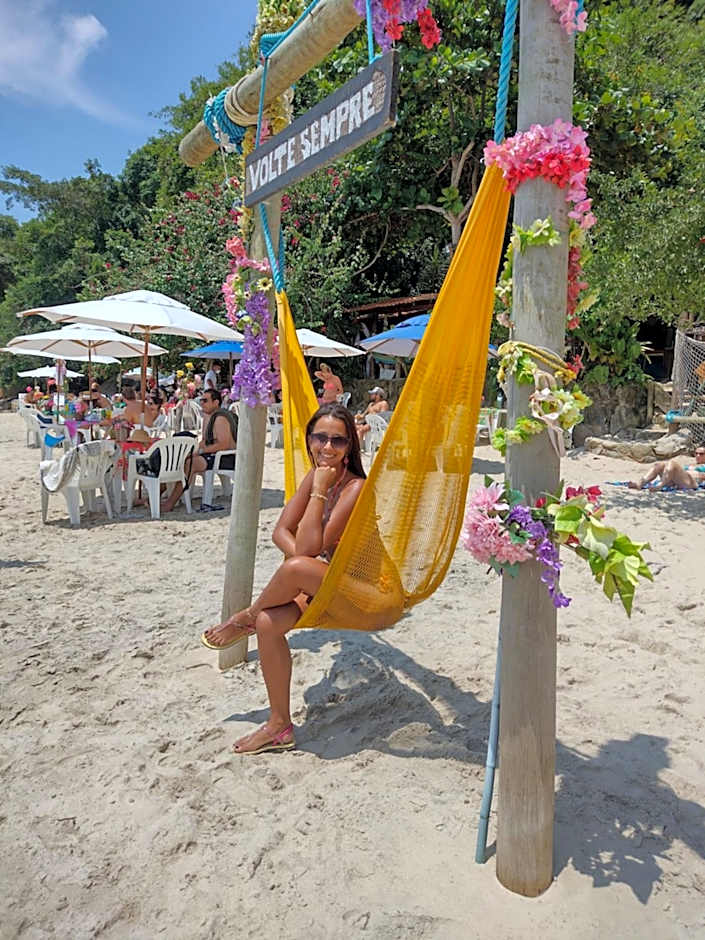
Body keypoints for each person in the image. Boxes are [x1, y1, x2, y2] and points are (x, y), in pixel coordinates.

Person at [201, 402, 366, 755]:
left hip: (358, 587)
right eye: (320, 437)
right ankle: (279, 726)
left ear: (350, 445)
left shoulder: (355, 488)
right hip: (319, 580)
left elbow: (309, 545)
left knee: (294, 568)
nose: (327, 447)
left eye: (338, 441)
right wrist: (305, 559)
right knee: (267, 622)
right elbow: (281, 532)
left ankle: (240, 618)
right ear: (308, 439)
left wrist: (320, 490)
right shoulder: (316, 474)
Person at [161, 387, 238, 512]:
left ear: (216, 402)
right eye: (201, 400)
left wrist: (200, 451)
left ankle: (170, 503)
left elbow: (223, 444)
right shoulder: (210, 416)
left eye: (205, 400)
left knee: (189, 464)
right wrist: (193, 450)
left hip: (225, 457)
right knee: (178, 460)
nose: (201, 403)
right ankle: (161, 495)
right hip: (215, 455)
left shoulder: (221, 418)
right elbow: (205, 441)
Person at [628, 445, 705, 491]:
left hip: (692, 483)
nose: (698, 456)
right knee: (659, 464)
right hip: (676, 481)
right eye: (696, 453)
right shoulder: (692, 464)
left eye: (701, 454)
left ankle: (660, 486)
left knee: (672, 463)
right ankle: (640, 483)